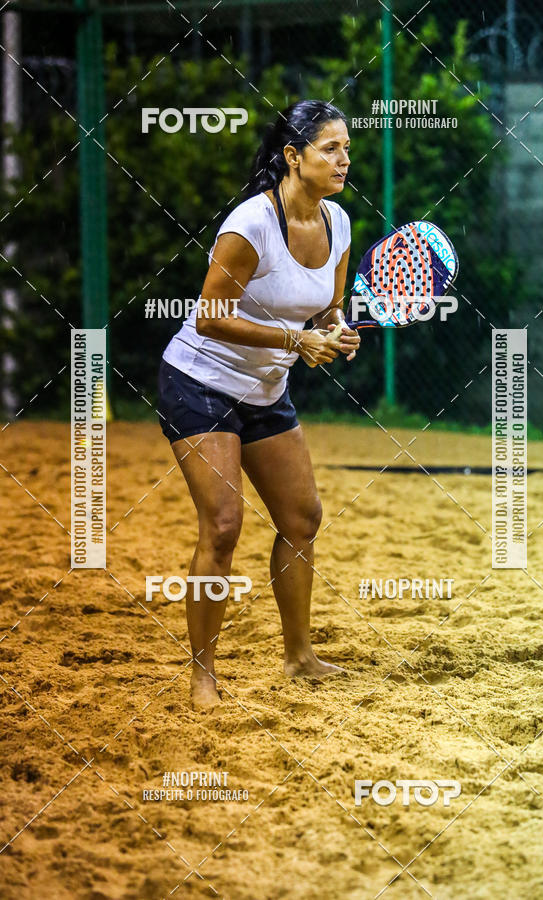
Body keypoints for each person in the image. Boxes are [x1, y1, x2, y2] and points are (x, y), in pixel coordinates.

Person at [157, 99, 360, 709]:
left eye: (347, 149)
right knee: (223, 526)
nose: (344, 160)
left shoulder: (338, 223)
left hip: (265, 389)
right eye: (330, 148)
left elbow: (326, 308)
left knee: (301, 520)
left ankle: (299, 658)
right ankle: (203, 676)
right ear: (293, 156)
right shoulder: (252, 223)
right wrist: (295, 341)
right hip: (200, 383)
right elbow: (210, 316)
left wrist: (336, 330)